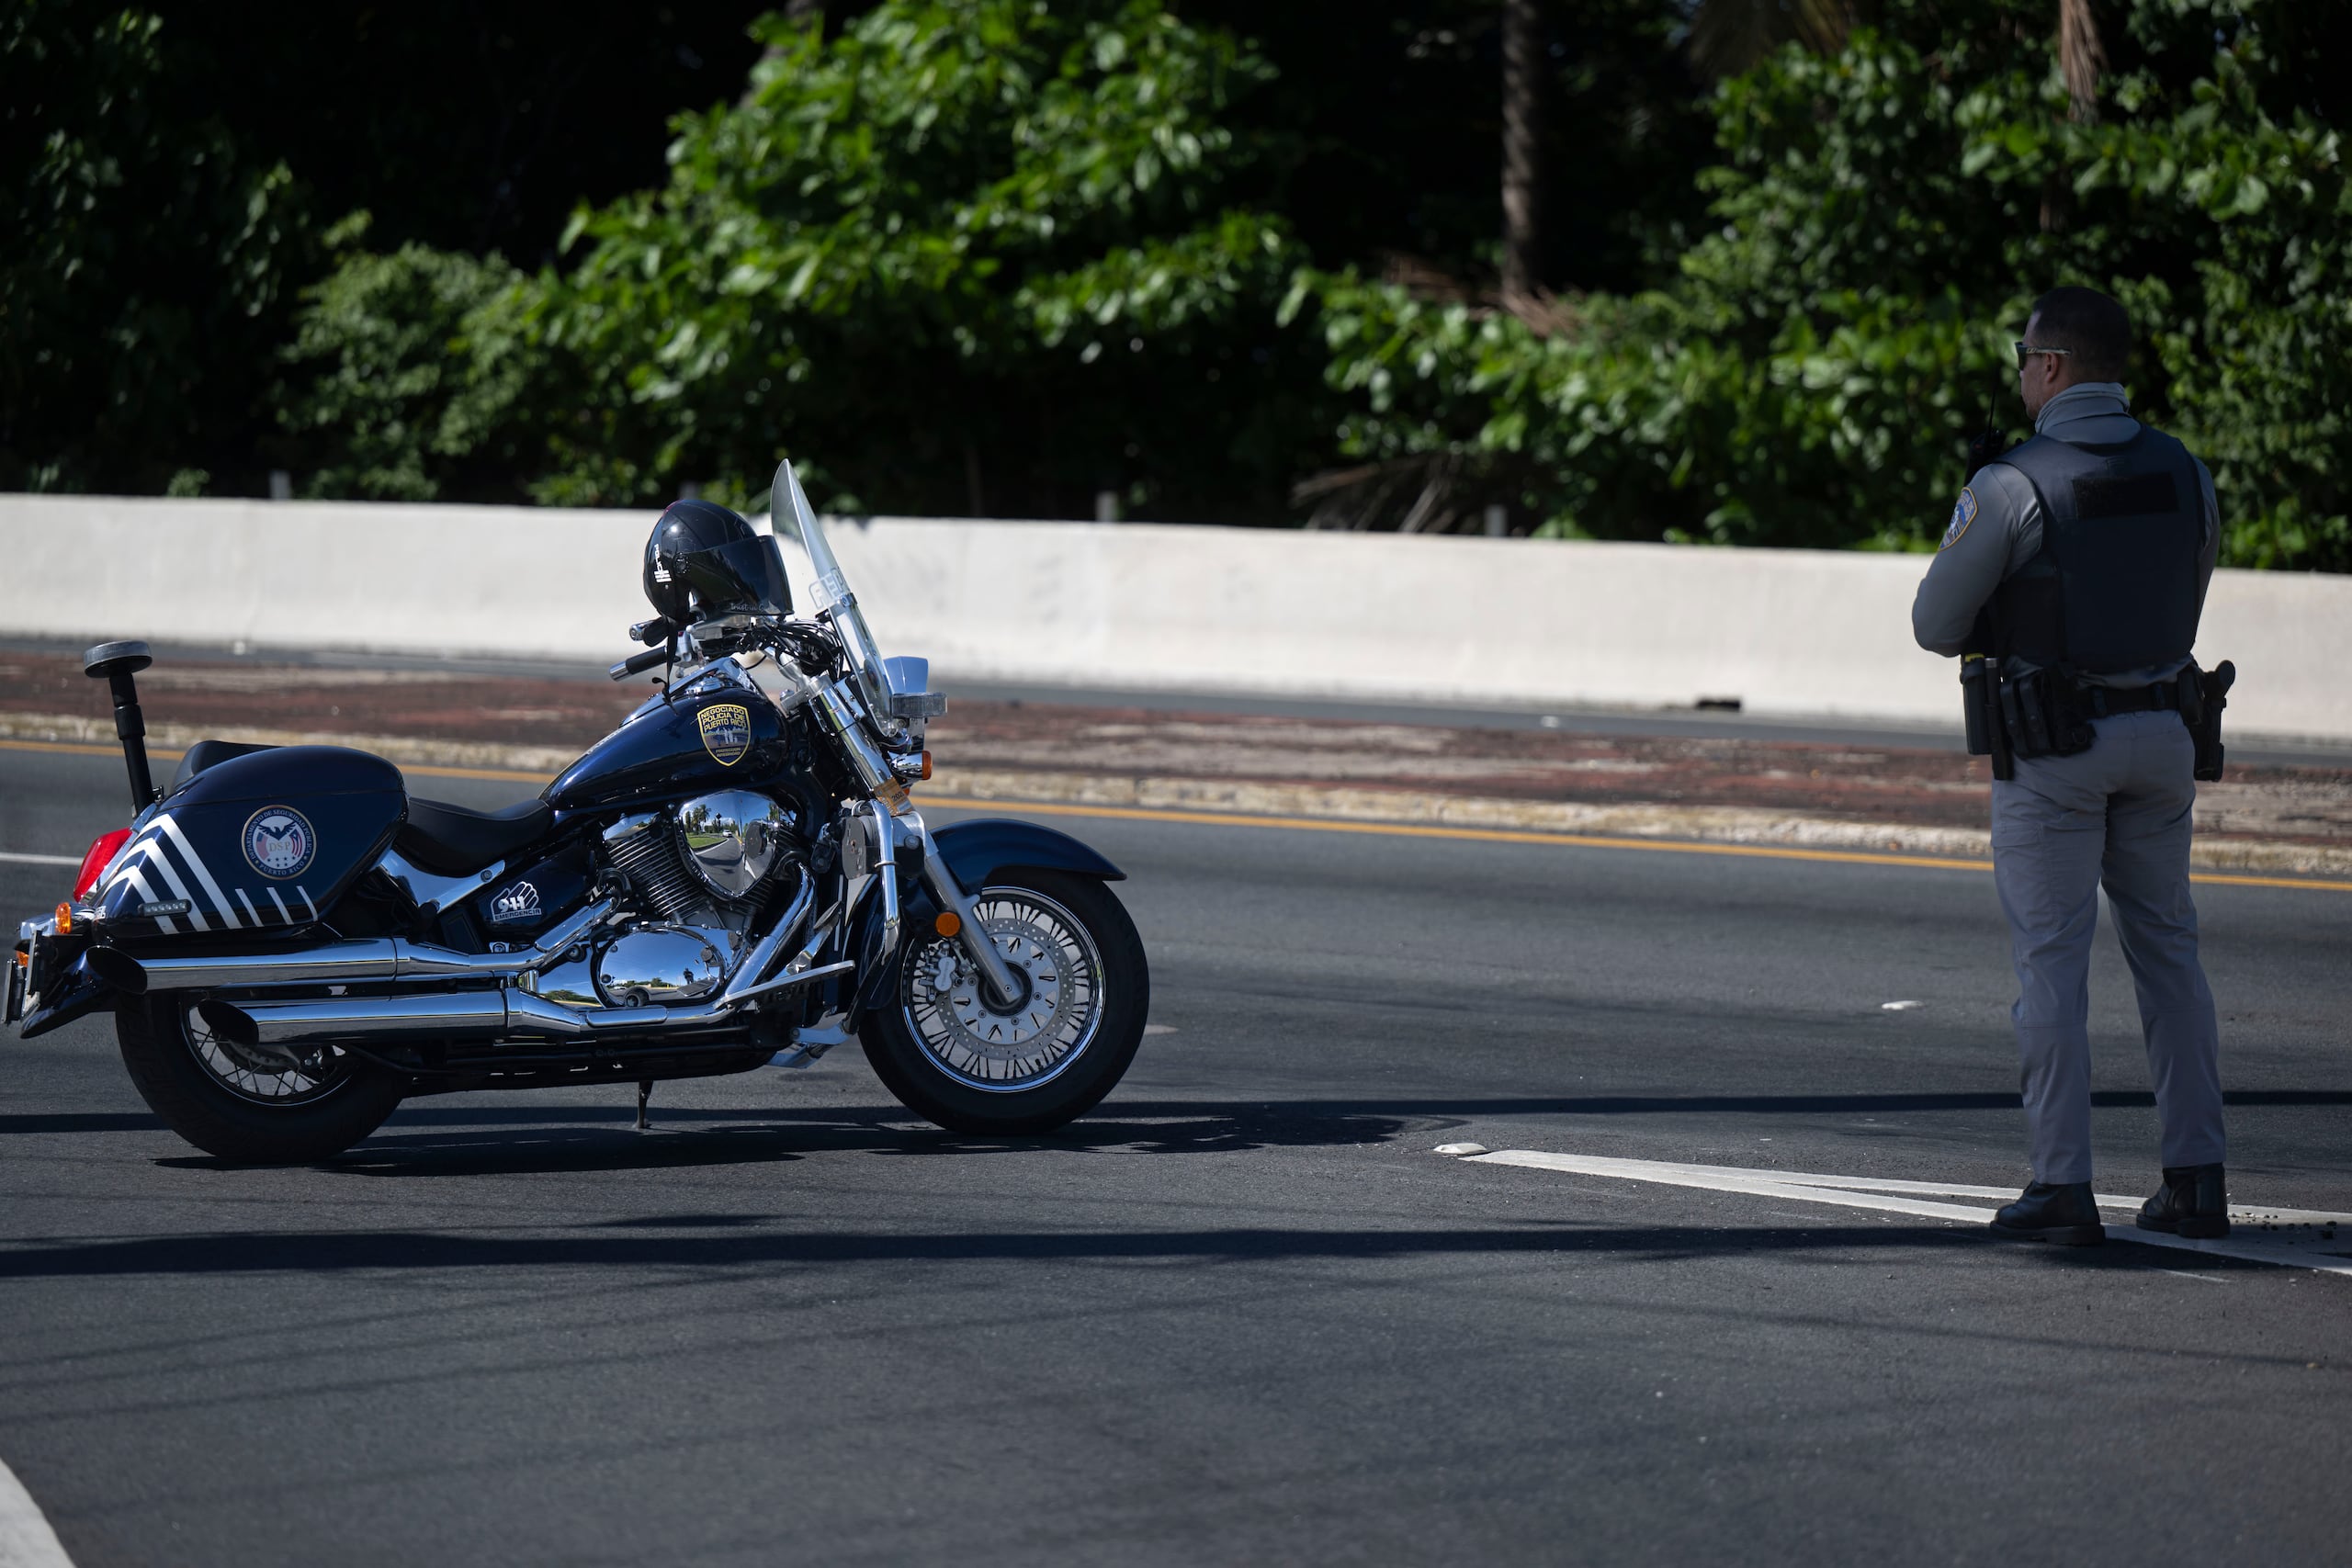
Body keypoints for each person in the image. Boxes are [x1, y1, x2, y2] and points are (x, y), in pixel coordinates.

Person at [1911, 286, 2228, 1247]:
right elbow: (2191, 584)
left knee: (2051, 967)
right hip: (2165, 734)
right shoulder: (2184, 469)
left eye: (2022, 358)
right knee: (2171, 956)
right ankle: (2196, 1180)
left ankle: (2061, 1186)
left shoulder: (2013, 483)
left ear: (2048, 367)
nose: (2019, 373)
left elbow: (1933, 626)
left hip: (2054, 748)